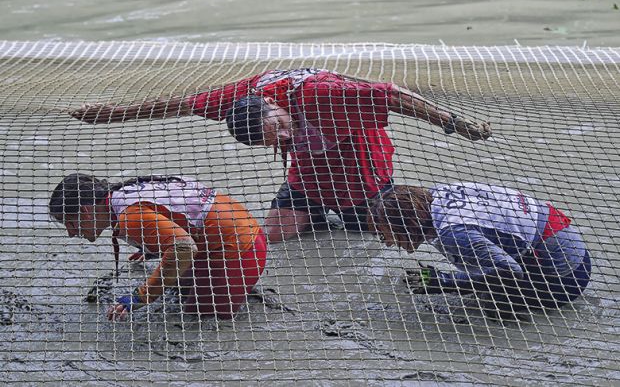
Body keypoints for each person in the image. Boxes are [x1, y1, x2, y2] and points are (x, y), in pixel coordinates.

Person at [70, 68, 492, 243]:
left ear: (276, 108)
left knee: (389, 234)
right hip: (307, 178)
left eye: (280, 130)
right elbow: (180, 103)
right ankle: (317, 214)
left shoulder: (320, 94)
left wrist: (452, 123)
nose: (281, 139)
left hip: (362, 174)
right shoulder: (241, 98)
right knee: (270, 235)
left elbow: (394, 95)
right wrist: (110, 115)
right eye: (271, 142)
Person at [49, 174, 267, 321]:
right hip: (244, 233)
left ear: (86, 212)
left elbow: (183, 248)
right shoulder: (123, 193)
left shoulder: (130, 217)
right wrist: (153, 246)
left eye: (69, 223)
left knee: (197, 321)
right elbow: (179, 213)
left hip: (240, 251)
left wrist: (141, 296)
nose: (70, 233)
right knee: (177, 287)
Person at [367, 183, 591, 318]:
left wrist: (446, 282)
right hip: (570, 248)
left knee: (489, 298)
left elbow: (510, 272)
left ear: (407, 225)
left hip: (564, 280)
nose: (386, 242)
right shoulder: (437, 194)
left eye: (385, 233)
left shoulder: (453, 233)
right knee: (476, 275)